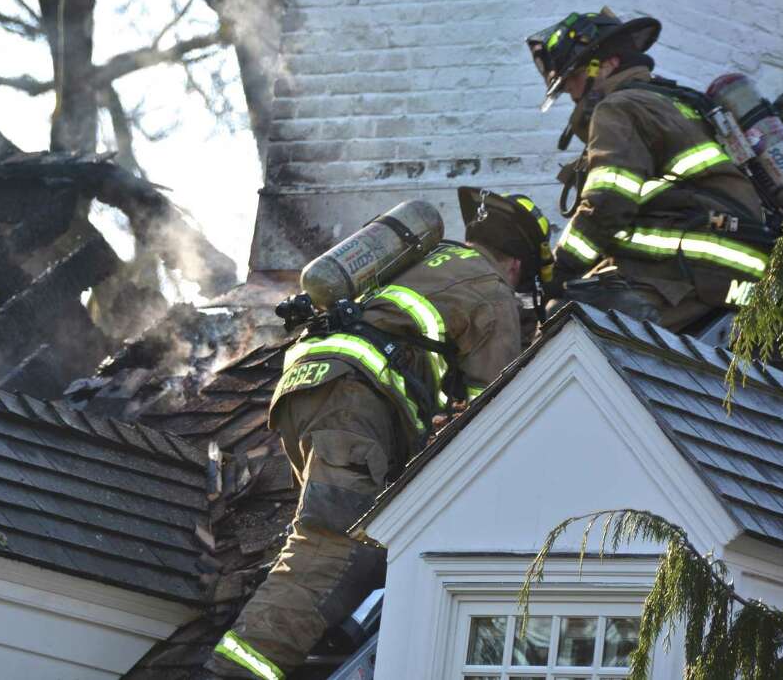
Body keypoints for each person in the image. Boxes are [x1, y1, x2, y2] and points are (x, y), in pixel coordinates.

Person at [207, 188, 550, 679]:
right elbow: (490, 419)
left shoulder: (423, 260)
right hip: (354, 400)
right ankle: (232, 671)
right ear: (515, 264)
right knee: (333, 546)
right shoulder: (492, 290)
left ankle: (311, 624)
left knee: (341, 538)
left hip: (305, 388)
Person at [526, 8, 773, 331]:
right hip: (742, 272)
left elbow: (609, 201)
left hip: (693, 271)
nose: (571, 93)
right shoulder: (680, 102)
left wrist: (557, 273)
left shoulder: (618, 107)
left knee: (563, 324)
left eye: (573, 78)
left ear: (608, 64)